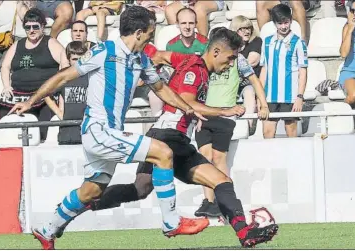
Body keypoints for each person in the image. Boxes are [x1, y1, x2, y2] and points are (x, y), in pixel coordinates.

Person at [9, 6, 210, 250]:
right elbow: (64, 77)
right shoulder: (105, 51)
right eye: (150, 31)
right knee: (164, 153)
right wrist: (30, 101)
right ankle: (171, 222)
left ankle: (46, 229)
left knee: (91, 192)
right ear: (138, 32)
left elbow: (160, 89)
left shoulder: (141, 58)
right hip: (99, 130)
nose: (151, 36)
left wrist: (186, 108)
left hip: (108, 133)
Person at [69, 28, 279, 248]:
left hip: (167, 137)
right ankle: (242, 231)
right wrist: (224, 110)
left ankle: (85, 204)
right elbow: (188, 102)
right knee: (220, 181)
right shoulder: (197, 70)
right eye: (230, 58)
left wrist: (150, 61)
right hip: (169, 138)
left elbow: (162, 56)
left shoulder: (189, 60)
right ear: (216, 51)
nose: (230, 64)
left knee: (140, 189)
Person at [194, 28, 270, 218]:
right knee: (204, 157)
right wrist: (195, 111)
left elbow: (255, 81)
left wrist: (263, 104)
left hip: (226, 115)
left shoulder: (238, 60)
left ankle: (224, 202)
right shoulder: (203, 60)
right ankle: (208, 201)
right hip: (204, 115)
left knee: (219, 159)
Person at [0, 8, 65, 141]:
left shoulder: (50, 42)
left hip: (44, 95)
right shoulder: (18, 44)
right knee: (6, 114)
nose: (31, 30)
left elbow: (64, 62)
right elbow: (5, 66)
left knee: (44, 123)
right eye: (28, 27)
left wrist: (56, 85)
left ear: (43, 26)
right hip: (18, 93)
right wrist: (6, 86)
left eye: (35, 26)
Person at [259, 4, 308, 139]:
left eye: (286, 22)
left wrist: (299, 97)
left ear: (291, 20)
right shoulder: (267, 41)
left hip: (290, 96)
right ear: (274, 23)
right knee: (267, 134)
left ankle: (292, 160)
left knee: (291, 133)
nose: (283, 26)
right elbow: (264, 69)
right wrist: (260, 97)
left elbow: (302, 72)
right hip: (270, 96)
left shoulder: (298, 42)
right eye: (280, 23)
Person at [230, 15, 264, 132]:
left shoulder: (256, 42)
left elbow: (252, 62)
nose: (246, 31)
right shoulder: (229, 45)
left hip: (248, 82)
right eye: (242, 29)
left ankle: (248, 126)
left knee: (249, 91)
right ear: (235, 30)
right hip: (232, 81)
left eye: (248, 28)